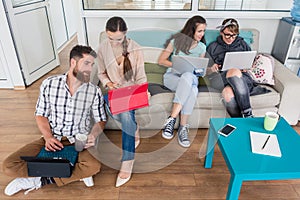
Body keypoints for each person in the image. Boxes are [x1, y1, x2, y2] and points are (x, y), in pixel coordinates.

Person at [2, 45, 107, 196]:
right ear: (73, 62)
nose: (90, 69)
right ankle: (73, 173)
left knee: (93, 166)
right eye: (86, 63)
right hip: (53, 136)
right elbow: (41, 114)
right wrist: (48, 137)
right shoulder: (49, 84)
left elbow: (101, 120)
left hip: (79, 140)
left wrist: (93, 135)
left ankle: (38, 180)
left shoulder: (93, 91)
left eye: (92, 65)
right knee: (9, 165)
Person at [97, 16, 147, 187]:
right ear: (106, 33)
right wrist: (108, 83)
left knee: (126, 115)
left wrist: (143, 91)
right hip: (113, 92)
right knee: (103, 104)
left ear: (125, 34)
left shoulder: (136, 48)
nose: (115, 43)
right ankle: (135, 128)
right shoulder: (102, 48)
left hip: (131, 92)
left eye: (119, 39)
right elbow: (101, 73)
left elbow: (140, 76)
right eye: (111, 39)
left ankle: (128, 162)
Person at [158, 15, 207, 148]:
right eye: (199, 31)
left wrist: (199, 71)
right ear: (191, 31)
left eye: (203, 31)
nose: (202, 34)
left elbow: (200, 70)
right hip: (172, 78)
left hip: (190, 78)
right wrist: (177, 66)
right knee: (193, 89)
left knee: (188, 76)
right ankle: (183, 128)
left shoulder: (202, 48)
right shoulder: (176, 42)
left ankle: (172, 119)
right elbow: (161, 60)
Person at [206, 18, 269, 118]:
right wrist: (211, 69)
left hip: (241, 78)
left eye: (234, 35)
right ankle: (248, 114)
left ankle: (240, 121)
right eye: (227, 35)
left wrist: (247, 67)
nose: (231, 38)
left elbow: (251, 62)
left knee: (227, 94)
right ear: (221, 32)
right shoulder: (213, 47)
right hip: (220, 78)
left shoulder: (242, 44)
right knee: (233, 71)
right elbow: (205, 71)